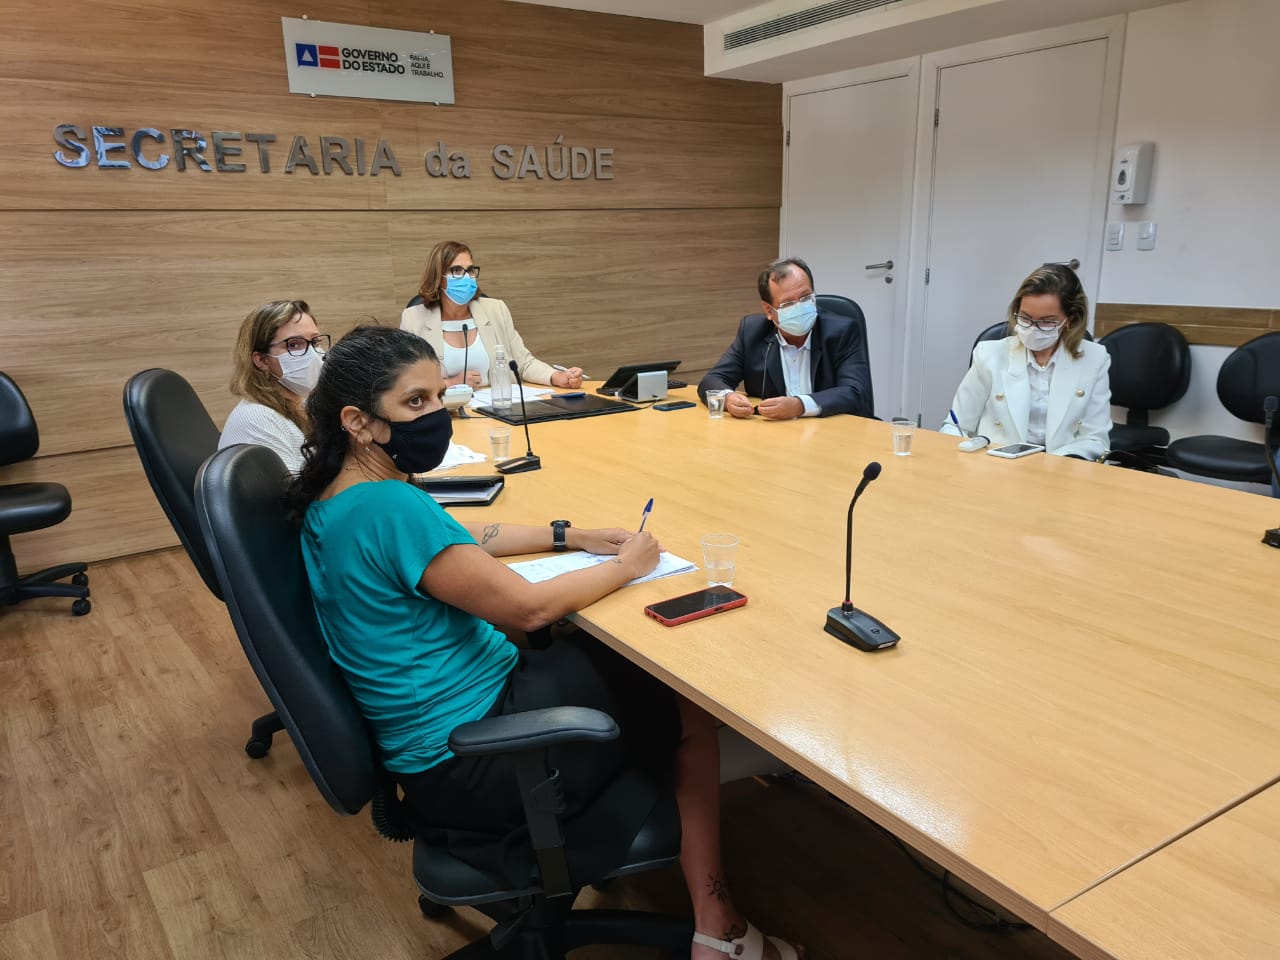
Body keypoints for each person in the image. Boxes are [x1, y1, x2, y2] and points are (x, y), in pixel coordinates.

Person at [291, 326, 802, 960]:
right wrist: (628, 565)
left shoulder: (338, 498)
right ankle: (718, 929)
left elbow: (459, 536)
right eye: (415, 402)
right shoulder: (388, 506)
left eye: (439, 396)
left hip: (435, 747)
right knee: (682, 698)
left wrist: (569, 535)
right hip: (476, 756)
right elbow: (528, 609)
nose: (436, 414)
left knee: (612, 659)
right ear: (357, 421)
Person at [940, 263, 1111, 460]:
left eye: (1047, 321)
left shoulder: (1094, 359)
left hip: (1063, 466)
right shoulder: (989, 354)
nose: (1032, 328)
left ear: (1070, 320)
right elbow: (954, 426)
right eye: (1025, 318)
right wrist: (966, 452)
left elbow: (1095, 439)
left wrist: (1051, 465)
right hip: (997, 465)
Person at [698, 257, 873, 419]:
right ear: (769, 310)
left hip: (834, 430)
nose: (800, 307)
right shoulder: (752, 332)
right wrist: (728, 398)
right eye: (789, 303)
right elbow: (712, 380)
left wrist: (800, 405)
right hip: (776, 432)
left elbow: (855, 392)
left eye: (806, 297)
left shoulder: (841, 331)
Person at [400, 240, 584, 390]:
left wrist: (556, 376)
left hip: (497, 407)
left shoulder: (496, 310)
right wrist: (451, 383)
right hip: (445, 412)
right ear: (438, 277)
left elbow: (523, 363)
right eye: (456, 271)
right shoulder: (413, 319)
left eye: (470, 270)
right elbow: (406, 383)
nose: (466, 277)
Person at [220, 298, 329, 474]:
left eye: (315, 341)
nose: (313, 354)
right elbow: (293, 490)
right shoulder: (257, 418)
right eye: (294, 344)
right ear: (262, 360)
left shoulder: (304, 402)